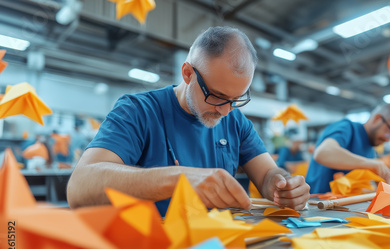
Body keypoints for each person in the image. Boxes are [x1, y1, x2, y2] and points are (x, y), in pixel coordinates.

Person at [67, 26, 310, 215]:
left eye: (236, 99)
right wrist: (177, 179)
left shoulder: (235, 120)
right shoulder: (138, 111)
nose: (226, 111)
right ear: (187, 73)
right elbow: (80, 187)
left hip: (218, 246)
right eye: (217, 96)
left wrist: (283, 186)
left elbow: (268, 174)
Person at [305, 103, 390, 194]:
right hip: (316, 203)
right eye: (389, 132)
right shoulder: (347, 127)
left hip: (339, 205)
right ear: (377, 118)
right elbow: (323, 153)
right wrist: (372, 164)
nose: (388, 139)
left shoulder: (370, 149)